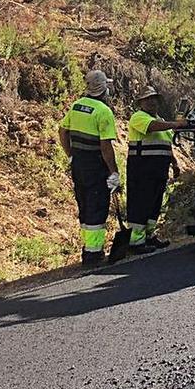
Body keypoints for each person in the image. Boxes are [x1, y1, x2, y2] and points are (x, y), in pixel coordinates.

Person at [57, 70, 119, 265]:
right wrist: (113, 171)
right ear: (102, 88)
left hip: (78, 164)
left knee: (83, 203)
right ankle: (94, 253)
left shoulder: (76, 106)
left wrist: (70, 154)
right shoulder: (103, 111)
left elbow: (62, 131)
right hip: (96, 165)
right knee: (97, 205)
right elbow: (106, 147)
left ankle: (87, 248)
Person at [126, 87, 188, 255]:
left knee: (155, 203)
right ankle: (135, 242)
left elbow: (166, 145)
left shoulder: (160, 120)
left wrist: (174, 163)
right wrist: (176, 124)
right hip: (141, 168)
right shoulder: (139, 117)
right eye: (147, 99)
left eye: (154, 98)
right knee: (141, 203)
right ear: (140, 102)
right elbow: (153, 127)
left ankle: (149, 236)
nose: (152, 102)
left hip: (158, 169)